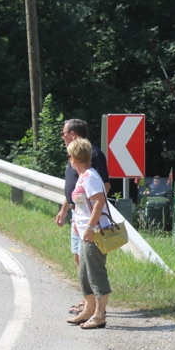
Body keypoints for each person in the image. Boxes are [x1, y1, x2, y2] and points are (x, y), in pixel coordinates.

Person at [55, 119, 110, 315]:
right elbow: (74, 188)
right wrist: (65, 209)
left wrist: (89, 219)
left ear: (73, 134)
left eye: (63, 133)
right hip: (78, 218)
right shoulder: (75, 156)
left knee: (92, 265)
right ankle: (88, 303)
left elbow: (101, 190)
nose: (62, 137)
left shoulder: (91, 155)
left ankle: (96, 308)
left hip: (89, 223)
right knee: (79, 259)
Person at [65, 138, 112, 330]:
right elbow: (85, 205)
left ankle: (100, 315)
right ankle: (88, 309)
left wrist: (90, 228)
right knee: (84, 273)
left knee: (95, 273)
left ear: (74, 157)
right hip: (84, 232)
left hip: (95, 233)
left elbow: (99, 202)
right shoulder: (83, 176)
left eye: (69, 155)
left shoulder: (91, 176)